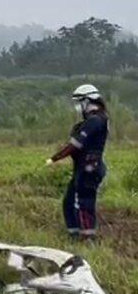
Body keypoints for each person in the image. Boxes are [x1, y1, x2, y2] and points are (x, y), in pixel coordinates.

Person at [46, 84, 108, 240]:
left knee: (83, 203)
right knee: (69, 201)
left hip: (89, 169)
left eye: (79, 102)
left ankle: (87, 238)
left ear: (87, 101)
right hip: (83, 168)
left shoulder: (95, 120)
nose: (77, 106)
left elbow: (75, 145)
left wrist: (54, 158)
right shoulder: (90, 121)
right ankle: (73, 235)